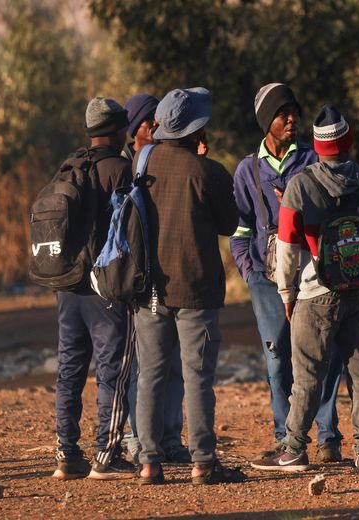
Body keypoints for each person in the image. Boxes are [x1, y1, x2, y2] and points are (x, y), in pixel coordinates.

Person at [250, 106, 359, 473]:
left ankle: (295, 447)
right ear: (348, 141)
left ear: (318, 145)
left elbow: (287, 248)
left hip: (315, 294)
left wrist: (287, 293)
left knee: (307, 375)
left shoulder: (300, 186)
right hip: (357, 292)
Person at [132, 87, 245, 485]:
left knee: (150, 374)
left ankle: (148, 462)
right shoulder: (207, 171)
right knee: (197, 377)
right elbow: (229, 224)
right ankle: (202, 462)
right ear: (197, 130)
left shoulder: (142, 165)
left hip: (148, 289)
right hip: (196, 289)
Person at [230, 83, 344, 462]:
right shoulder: (248, 169)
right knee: (277, 357)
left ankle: (328, 437)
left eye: (294, 111)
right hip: (266, 279)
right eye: (283, 114)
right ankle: (286, 438)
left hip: (312, 275)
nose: (292, 118)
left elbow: (332, 212)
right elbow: (241, 228)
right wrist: (249, 271)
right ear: (267, 122)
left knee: (320, 355)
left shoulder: (312, 159)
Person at [52, 97, 135, 480]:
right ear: (117, 131)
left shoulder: (69, 168)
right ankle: (106, 453)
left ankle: (66, 454)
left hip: (67, 285)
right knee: (111, 370)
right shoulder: (121, 169)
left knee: (69, 369)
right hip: (106, 287)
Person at [121, 93, 189, 464]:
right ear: (136, 130)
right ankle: (139, 440)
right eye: (150, 123)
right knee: (143, 367)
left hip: (171, 279)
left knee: (174, 365)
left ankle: (170, 439)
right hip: (137, 283)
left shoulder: (167, 162)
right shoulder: (128, 167)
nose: (157, 128)